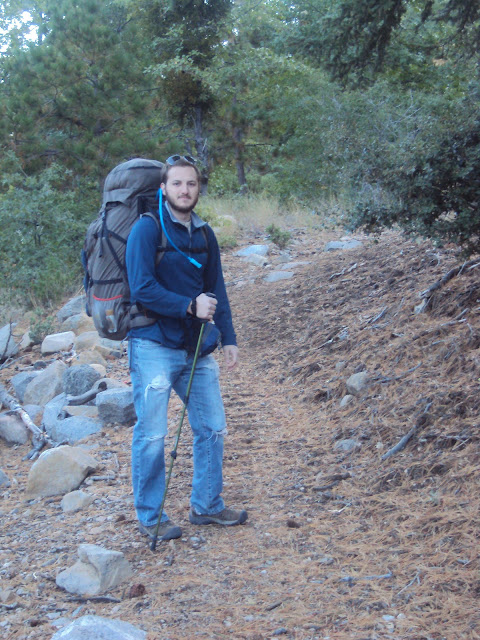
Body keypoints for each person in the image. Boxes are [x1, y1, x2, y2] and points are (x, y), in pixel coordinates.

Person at [125, 154, 247, 542]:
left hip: (196, 347)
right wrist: (188, 306)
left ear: (198, 189)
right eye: (177, 183)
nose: (185, 190)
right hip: (152, 344)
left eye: (191, 183)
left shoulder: (204, 234)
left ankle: (207, 505)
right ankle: (151, 516)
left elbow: (216, 288)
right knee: (152, 435)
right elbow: (141, 287)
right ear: (163, 189)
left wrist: (228, 337)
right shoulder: (147, 229)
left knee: (212, 427)